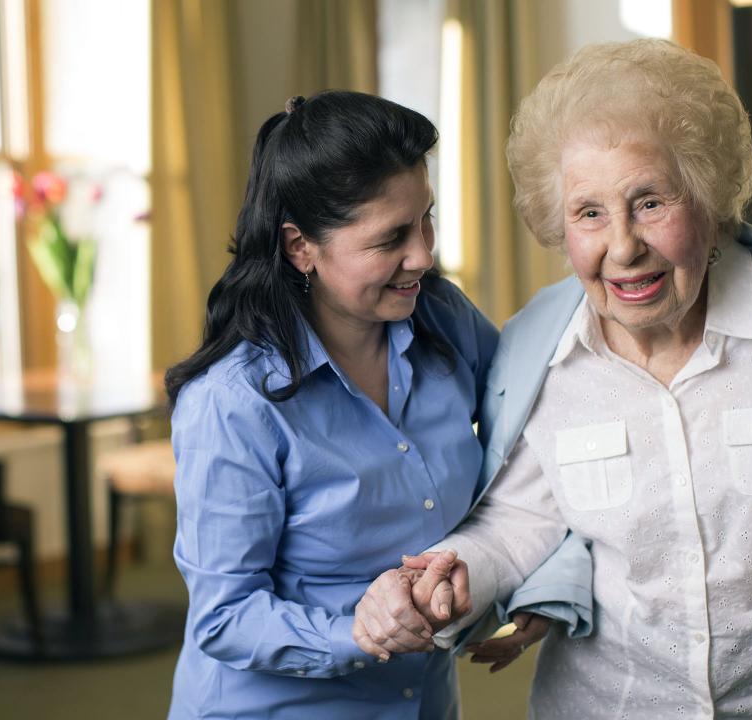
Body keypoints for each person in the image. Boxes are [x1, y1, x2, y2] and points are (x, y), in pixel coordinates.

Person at [365, 38, 752, 719]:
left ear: (708, 199)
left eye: (651, 202)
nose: (623, 247)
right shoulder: (545, 353)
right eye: (589, 213)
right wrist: (447, 575)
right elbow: (520, 517)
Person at [162, 90, 582, 719]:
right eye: (391, 239)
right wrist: (355, 631)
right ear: (301, 246)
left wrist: (545, 582)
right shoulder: (231, 404)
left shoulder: (444, 318)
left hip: (425, 702)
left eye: (427, 220)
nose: (424, 254)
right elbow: (224, 617)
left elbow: (540, 445)